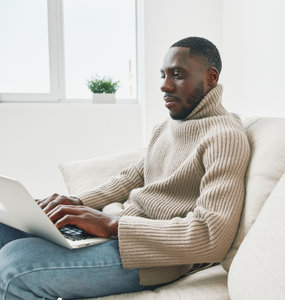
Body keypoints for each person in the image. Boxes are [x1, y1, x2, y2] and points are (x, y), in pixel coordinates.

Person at [0, 37, 251, 299]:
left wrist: (112, 225)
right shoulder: (166, 127)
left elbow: (211, 235)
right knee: (5, 226)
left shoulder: (224, 136)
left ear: (211, 78)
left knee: (14, 266)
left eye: (177, 75)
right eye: (163, 75)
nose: (165, 85)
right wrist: (76, 202)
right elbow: (131, 177)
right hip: (121, 230)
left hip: (151, 256)